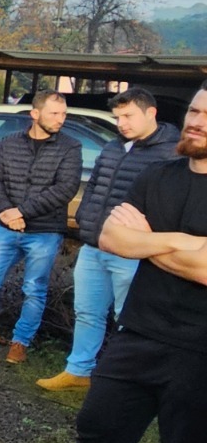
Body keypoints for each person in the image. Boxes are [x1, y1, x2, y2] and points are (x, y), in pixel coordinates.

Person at [0, 83, 207, 443]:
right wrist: (183, 244)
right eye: (197, 110)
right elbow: (113, 237)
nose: (197, 120)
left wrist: (148, 243)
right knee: (99, 426)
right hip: (139, 331)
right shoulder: (161, 175)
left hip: (201, 347)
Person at [39, 88, 179, 390]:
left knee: (128, 319)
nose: (122, 124)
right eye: (118, 118)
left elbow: (174, 204)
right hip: (95, 244)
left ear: (151, 113)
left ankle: (125, 381)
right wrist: (85, 219)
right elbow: (95, 186)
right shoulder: (115, 147)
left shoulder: (171, 152)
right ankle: (78, 371)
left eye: (128, 116)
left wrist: (149, 238)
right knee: (87, 312)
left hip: (131, 253)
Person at [0, 91, 81, 363]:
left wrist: (21, 211)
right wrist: (6, 213)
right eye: (55, 113)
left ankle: (20, 341)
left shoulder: (70, 147)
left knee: (34, 289)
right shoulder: (8, 143)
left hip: (44, 231)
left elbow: (65, 189)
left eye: (64, 114)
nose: (61, 119)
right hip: (5, 228)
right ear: (35, 114)